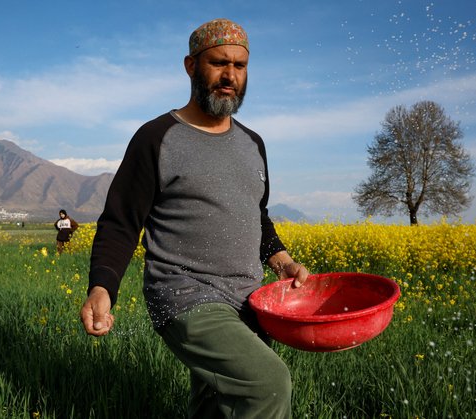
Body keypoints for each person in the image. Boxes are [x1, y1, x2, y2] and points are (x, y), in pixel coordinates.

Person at [80, 18, 310, 418]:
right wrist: (103, 287)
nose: (230, 76)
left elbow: (256, 215)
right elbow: (120, 221)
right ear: (190, 66)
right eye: (219, 63)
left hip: (248, 299)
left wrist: (283, 261)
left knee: (218, 405)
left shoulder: (253, 144)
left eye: (239, 66)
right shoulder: (156, 137)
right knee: (266, 384)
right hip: (185, 295)